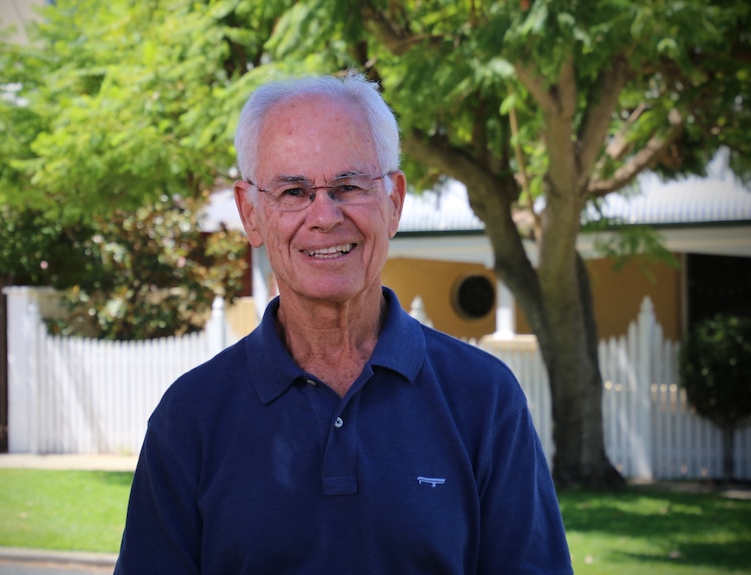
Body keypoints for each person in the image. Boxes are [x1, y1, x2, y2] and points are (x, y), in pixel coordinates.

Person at [114, 72, 573, 574]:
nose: (324, 215)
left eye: (348, 186)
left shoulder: (484, 400)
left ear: (394, 201)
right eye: (292, 191)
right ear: (251, 214)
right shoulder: (191, 417)